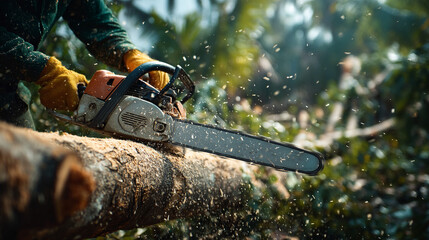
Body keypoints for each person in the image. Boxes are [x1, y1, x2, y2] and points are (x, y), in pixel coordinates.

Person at [0, 0, 169, 129]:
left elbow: (94, 19)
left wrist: (129, 54)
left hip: (6, 92)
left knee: (27, 164)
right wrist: (41, 69)